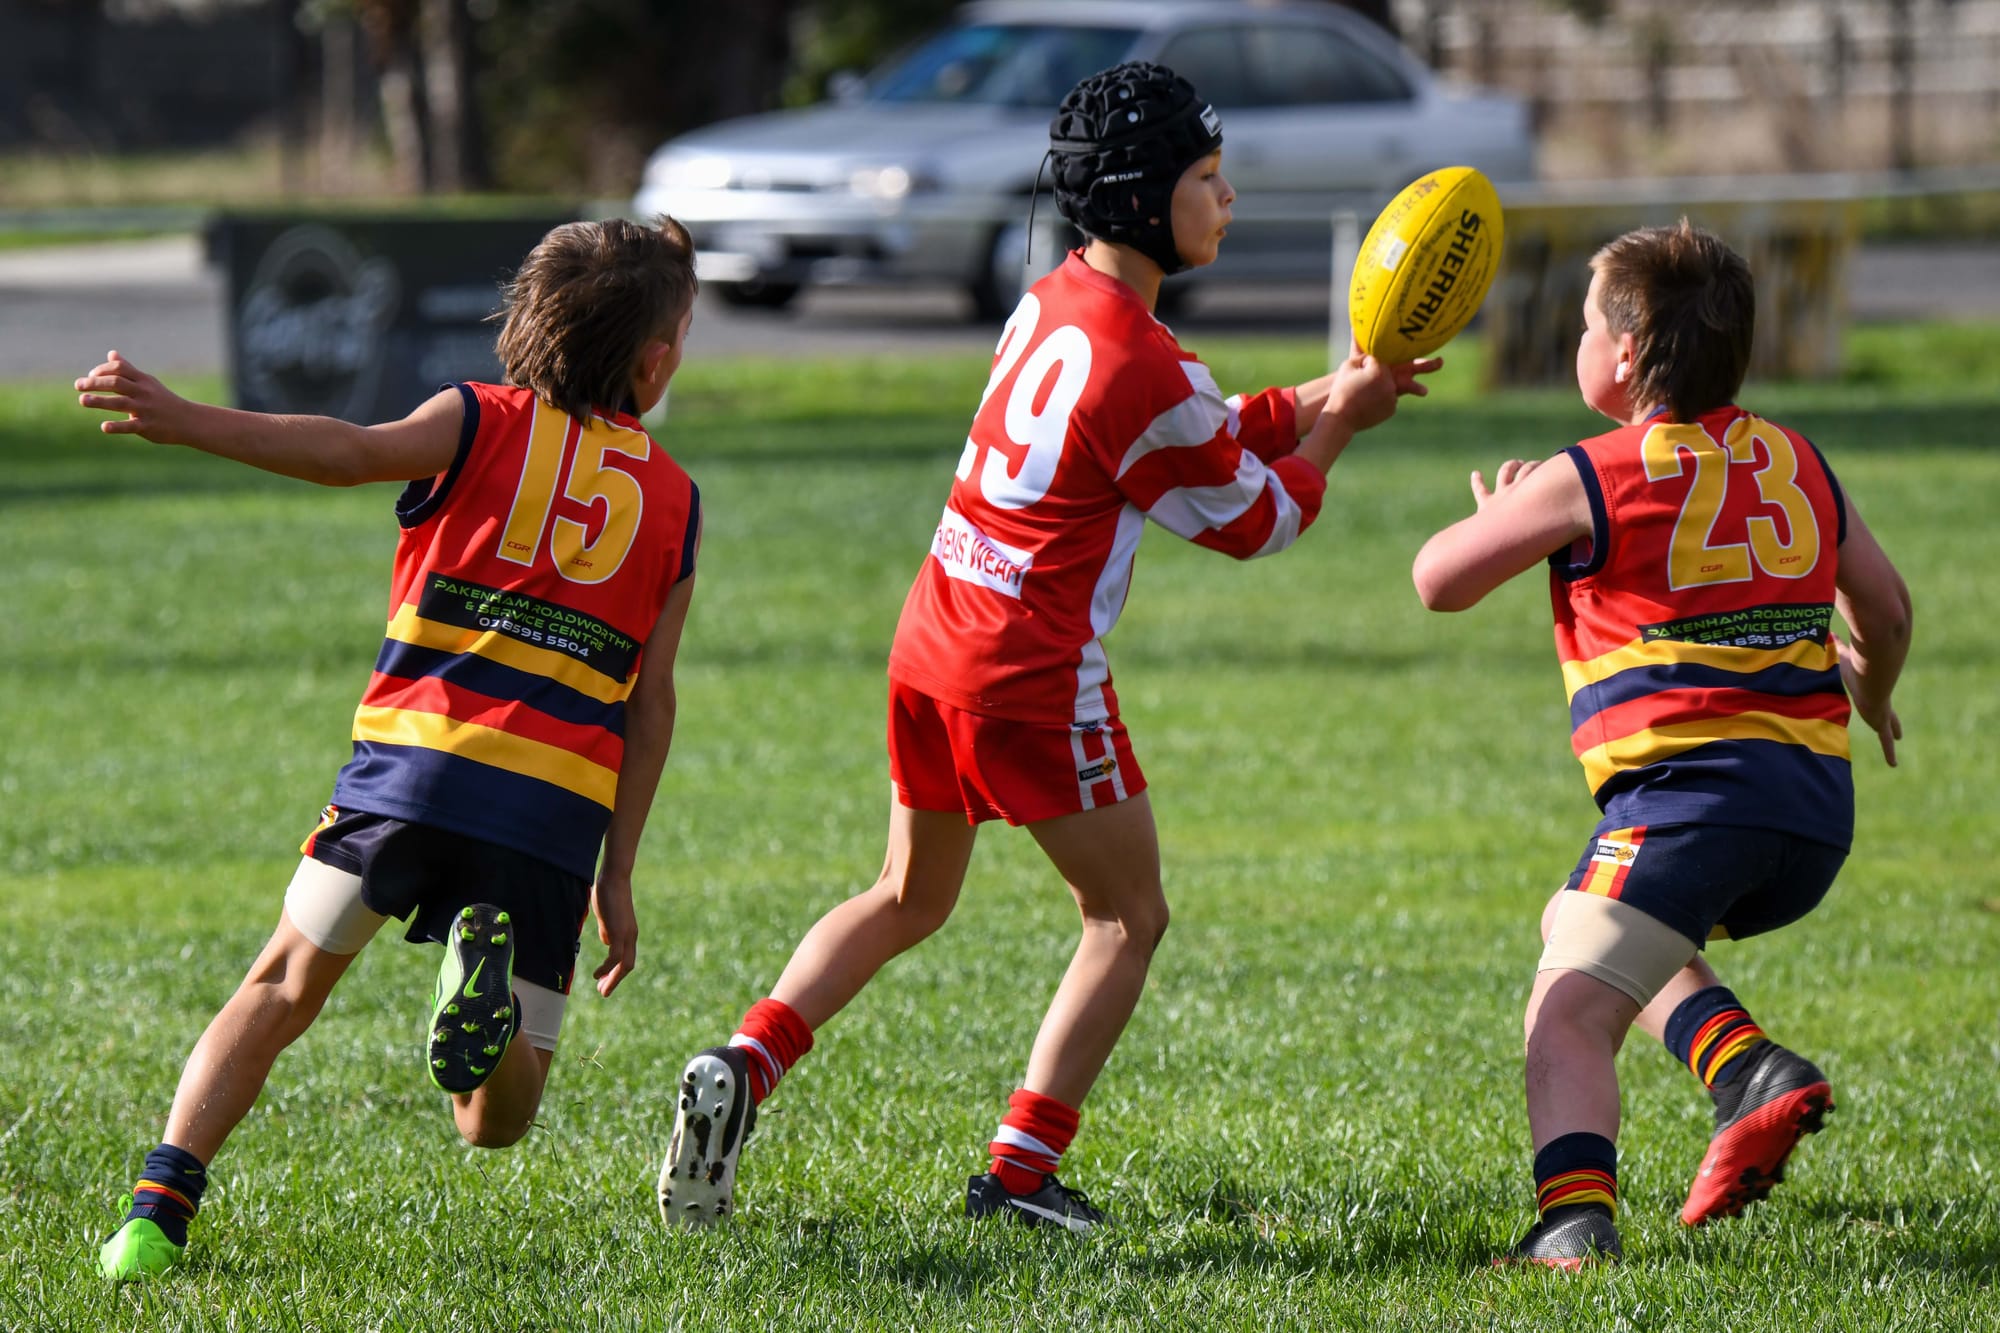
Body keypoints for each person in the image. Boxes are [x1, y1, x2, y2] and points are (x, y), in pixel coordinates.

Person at [657, 61, 1437, 1233]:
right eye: (1208, 179)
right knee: (1128, 918)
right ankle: (1018, 1177)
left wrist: (1334, 388)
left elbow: (1200, 432)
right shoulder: (1147, 365)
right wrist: (1344, 428)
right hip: (1029, 676)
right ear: (1140, 197)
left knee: (903, 894)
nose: (1227, 201)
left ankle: (744, 1064)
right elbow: (1257, 518)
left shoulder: (1055, 299)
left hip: (929, 645)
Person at [84, 216, 705, 1280]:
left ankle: (155, 1211)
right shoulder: (675, 503)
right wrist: (620, 872)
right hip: (548, 816)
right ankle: (491, 998)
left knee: (279, 986)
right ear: (653, 363)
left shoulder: (473, 420)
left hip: (410, 773)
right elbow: (651, 707)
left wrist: (185, 418)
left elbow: (344, 450)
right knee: (492, 1124)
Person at [1411, 219, 1912, 1267]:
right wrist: (1867, 688)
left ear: (1625, 356)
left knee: (1565, 1010)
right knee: (1579, 918)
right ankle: (1746, 1075)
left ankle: (1569, 1226)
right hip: (1810, 813)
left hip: (1687, 804)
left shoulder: (1589, 471)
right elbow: (1885, 605)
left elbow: (1436, 580)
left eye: (1586, 323)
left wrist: (1508, 507)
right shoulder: (1796, 459)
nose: (1578, 339)